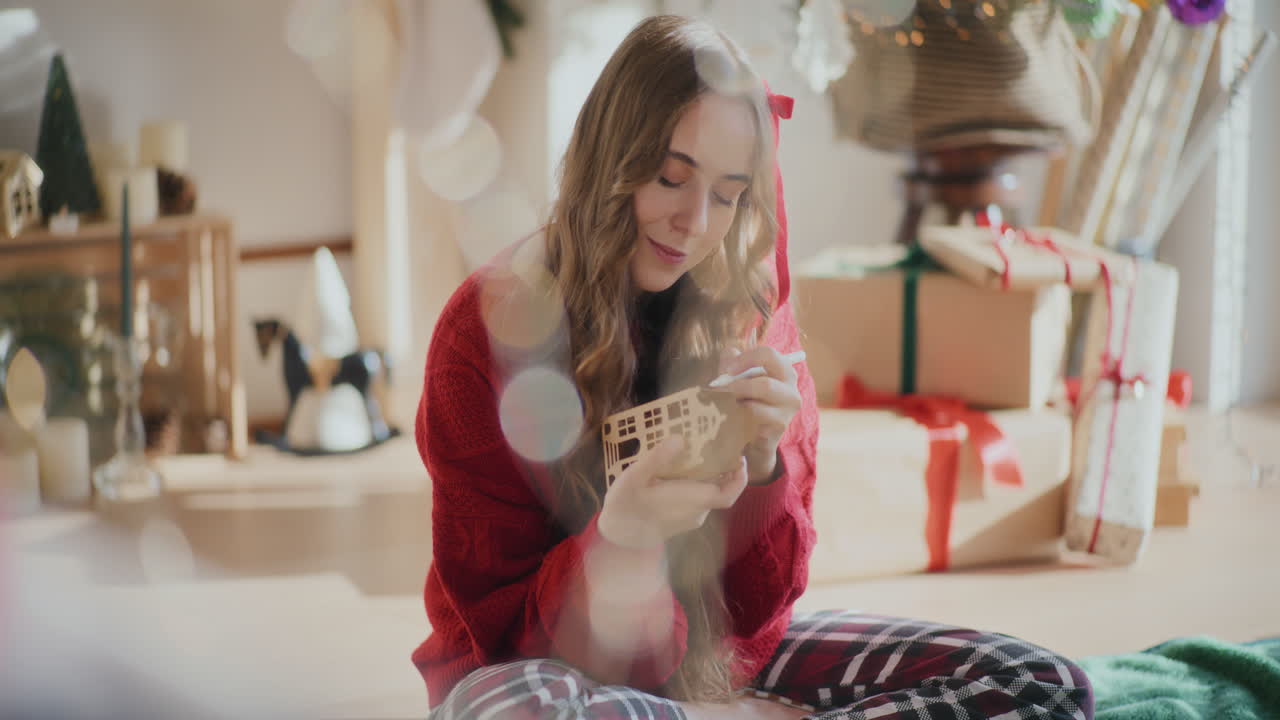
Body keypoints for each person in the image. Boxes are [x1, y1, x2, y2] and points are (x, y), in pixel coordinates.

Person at [414, 14, 1094, 720]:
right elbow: (501, 636)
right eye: (670, 178)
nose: (697, 222)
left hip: (711, 661)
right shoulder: (487, 334)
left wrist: (766, 469)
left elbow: (757, 617)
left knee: (1038, 684)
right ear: (607, 162)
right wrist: (621, 542)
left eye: (730, 194)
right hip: (540, 670)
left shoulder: (744, 306)